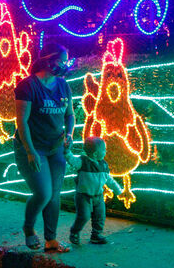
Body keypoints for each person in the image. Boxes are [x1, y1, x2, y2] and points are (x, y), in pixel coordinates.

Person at [14, 43, 74, 252]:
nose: (65, 65)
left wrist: (69, 134)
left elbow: (70, 115)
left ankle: (51, 240)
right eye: (62, 60)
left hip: (56, 147)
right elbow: (22, 122)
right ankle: (29, 228)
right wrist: (30, 151)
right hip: (32, 147)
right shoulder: (28, 85)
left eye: (66, 61)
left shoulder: (63, 85)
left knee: (54, 195)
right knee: (43, 193)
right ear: (48, 60)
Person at [65, 136, 122, 245]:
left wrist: (118, 190)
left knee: (100, 216)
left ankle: (96, 235)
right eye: (104, 150)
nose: (106, 152)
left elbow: (109, 180)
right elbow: (72, 161)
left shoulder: (104, 165)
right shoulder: (82, 162)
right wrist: (67, 151)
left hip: (98, 196)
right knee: (84, 216)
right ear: (95, 153)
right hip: (83, 196)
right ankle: (75, 232)